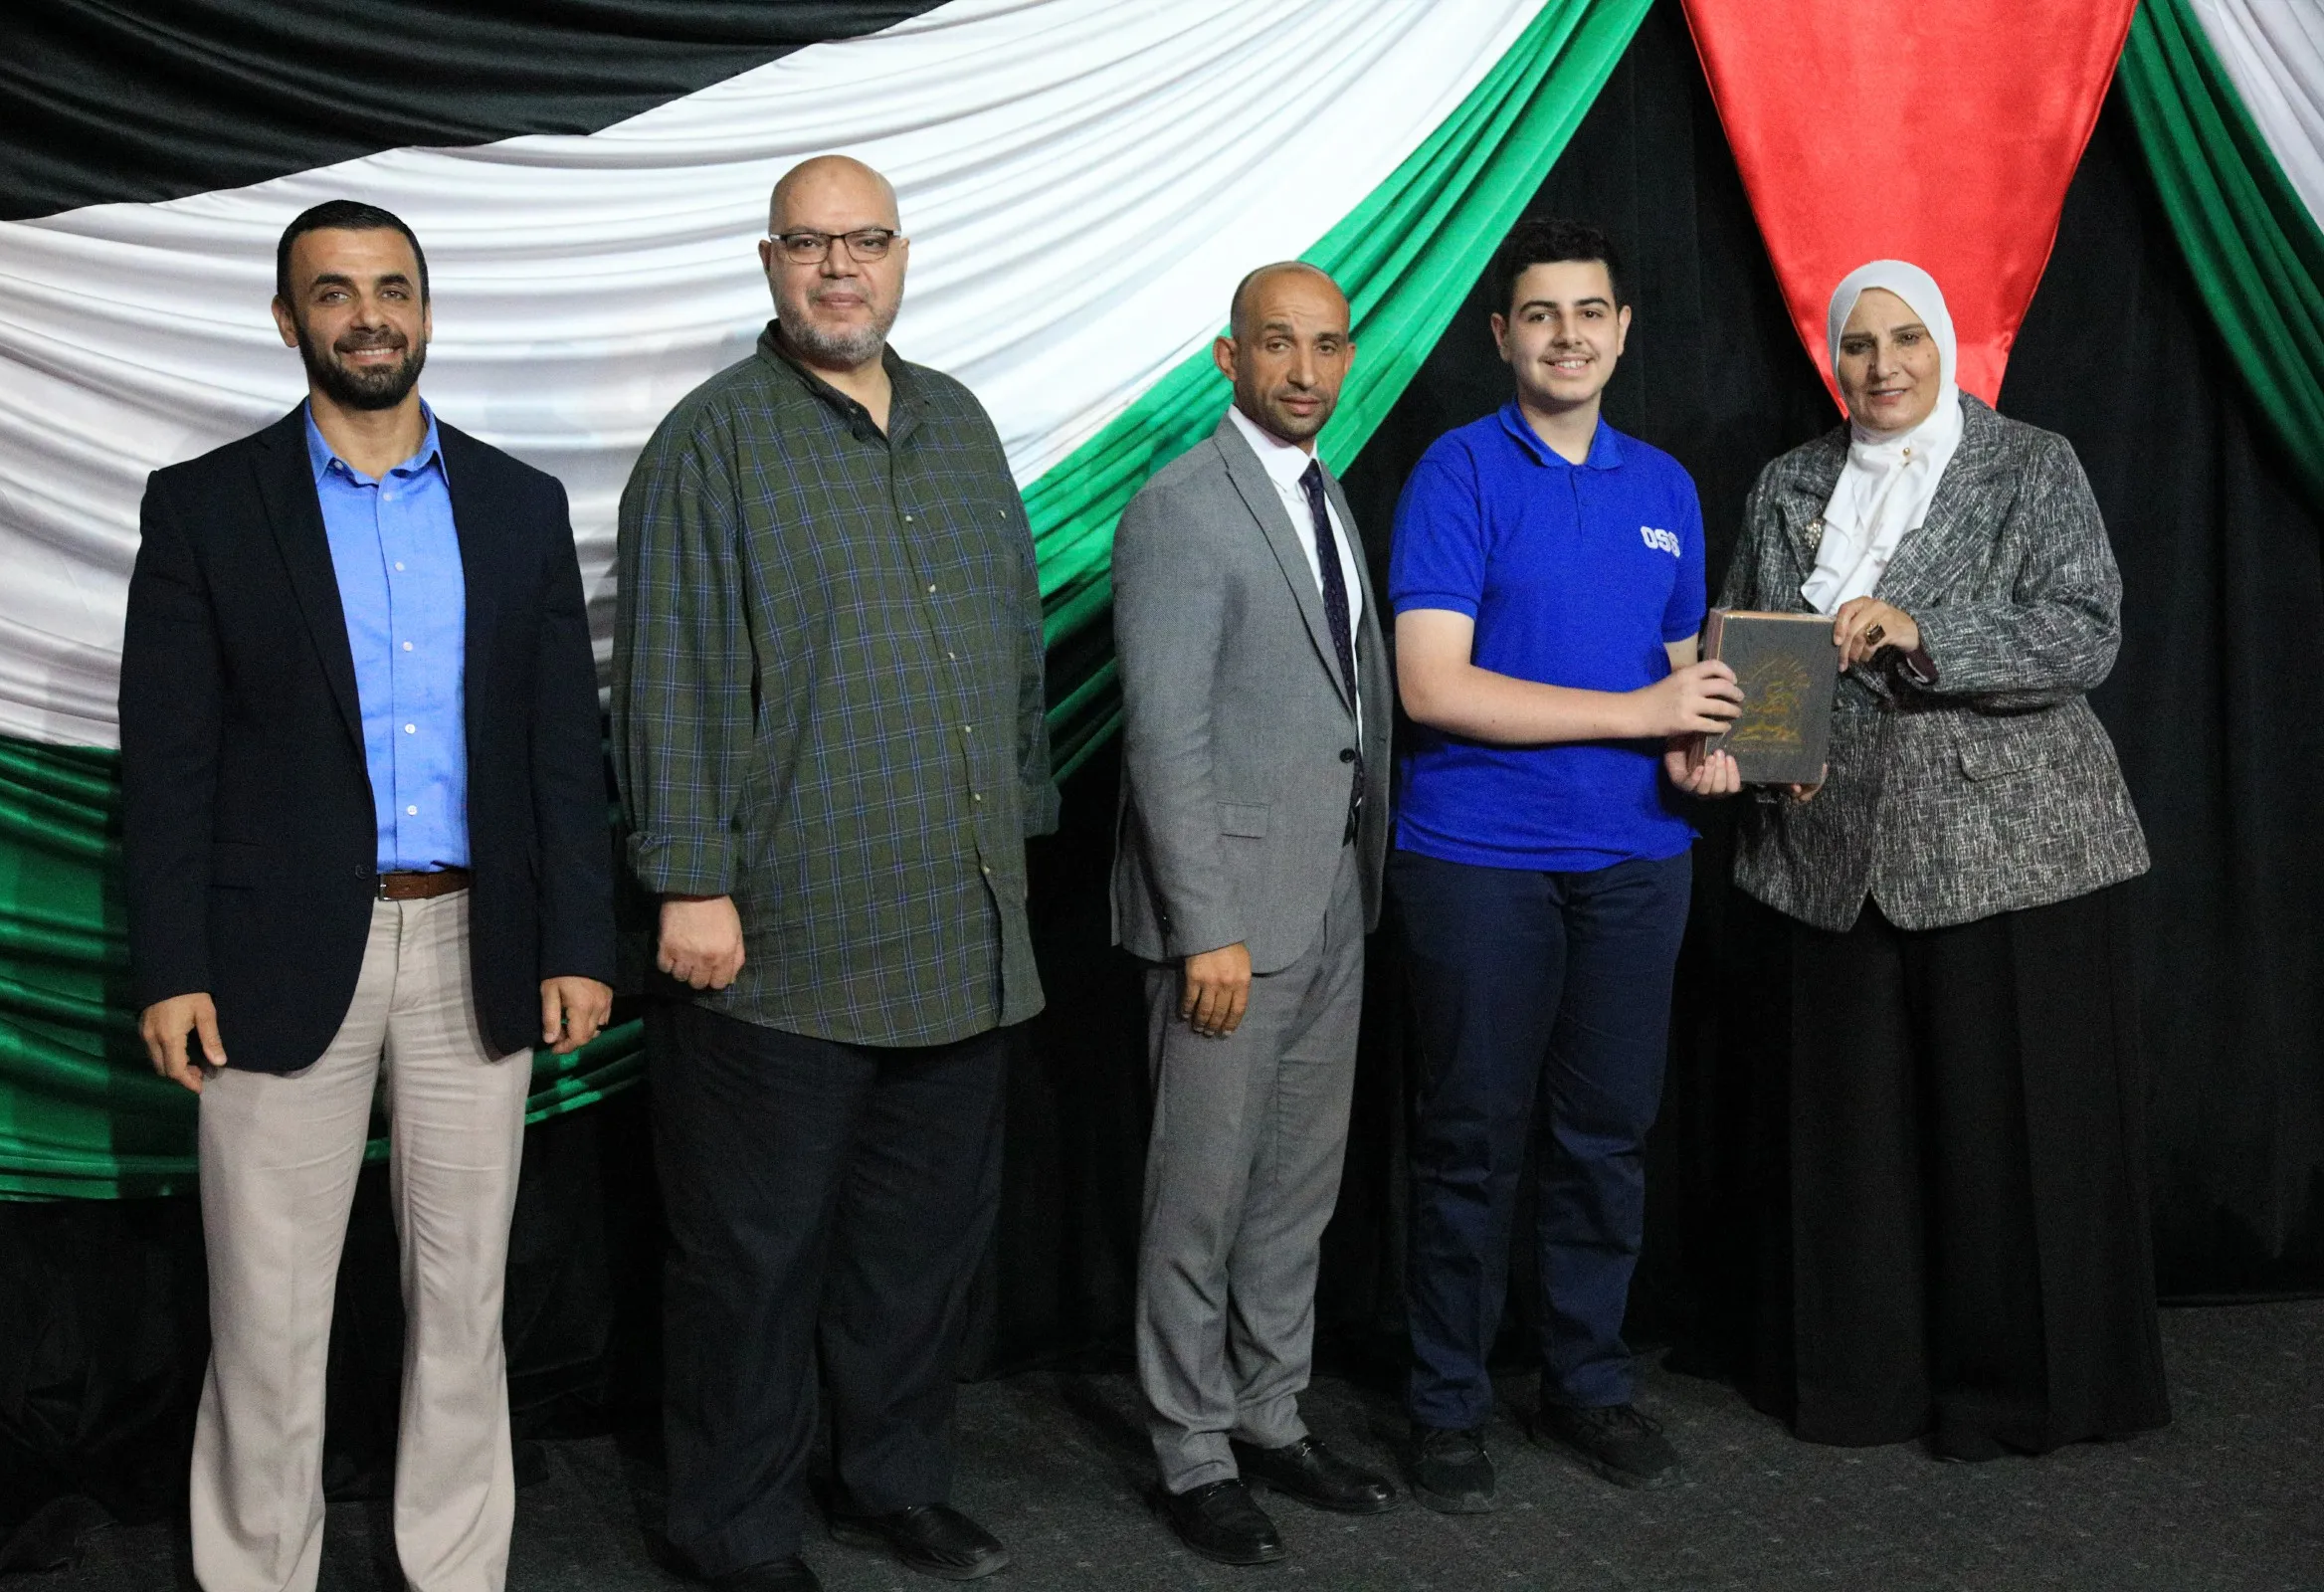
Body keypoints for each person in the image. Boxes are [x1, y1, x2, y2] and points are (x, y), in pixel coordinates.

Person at [119, 199, 617, 1592]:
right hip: (270, 955)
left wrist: (580, 937)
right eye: (334, 292)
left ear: (428, 311)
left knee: (463, 1300)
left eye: (392, 287)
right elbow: (169, 762)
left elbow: (560, 748)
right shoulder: (206, 507)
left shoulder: (518, 505)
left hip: (477, 941)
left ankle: (454, 1569)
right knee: (267, 1311)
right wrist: (172, 964)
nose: (369, 314)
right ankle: (254, 1572)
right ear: (288, 321)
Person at [612, 155, 1056, 1591]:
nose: (839, 268)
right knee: (751, 1261)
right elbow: (667, 676)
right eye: (810, 245)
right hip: (779, 945)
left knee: (916, 1254)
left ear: (902, 255)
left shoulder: (960, 422)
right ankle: (735, 1529)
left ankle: (893, 1480)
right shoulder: (710, 441)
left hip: (957, 931)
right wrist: (688, 879)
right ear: (769, 263)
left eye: (864, 241)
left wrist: (1019, 832)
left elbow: (1016, 647)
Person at [1719, 259, 2168, 1459]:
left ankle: (2018, 1394)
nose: (1884, 366)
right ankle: (1861, 1386)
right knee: (1850, 1147)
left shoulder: (2031, 464)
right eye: (1859, 345)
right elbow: (1758, 645)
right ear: (1833, 357)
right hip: (1829, 851)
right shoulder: (1787, 483)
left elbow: (2086, 630)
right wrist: (1771, 758)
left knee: (2004, 1137)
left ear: (1947, 344)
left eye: (1907, 339)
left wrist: (1926, 630)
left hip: (2009, 846)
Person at [1386, 218, 1741, 1509]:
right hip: (1479, 857)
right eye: (1541, 314)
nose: (1568, 336)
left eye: (1590, 312)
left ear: (1624, 330)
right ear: (1503, 335)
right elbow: (1432, 685)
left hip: (1638, 860)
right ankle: (1446, 1401)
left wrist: (1706, 744)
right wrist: (1640, 714)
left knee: (1606, 1138)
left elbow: (1678, 674)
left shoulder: (1665, 487)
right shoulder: (1457, 472)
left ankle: (1587, 1381)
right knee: (1471, 1141)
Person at [1111, 263, 1400, 1566]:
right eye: (1276, 344)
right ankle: (1191, 1450)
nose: (1304, 369)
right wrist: (1203, 926)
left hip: (1331, 893)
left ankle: (1270, 1414)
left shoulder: (1325, 494)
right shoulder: (1181, 507)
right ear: (1229, 358)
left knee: (1295, 1192)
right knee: (1201, 1197)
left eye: (1326, 345)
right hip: (1226, 921)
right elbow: (1164, 735)